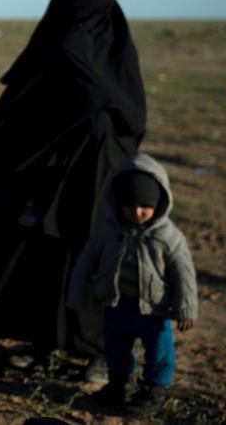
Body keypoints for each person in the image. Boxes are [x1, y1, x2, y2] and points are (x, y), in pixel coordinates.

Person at [0, 0, 146, 380]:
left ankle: (101, 353)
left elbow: (130, 121)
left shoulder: (110, 59)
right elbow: (17, 112)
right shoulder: (57, 46)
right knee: (35, 254)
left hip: (96, 181)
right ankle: (43, 343)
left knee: (93, 257)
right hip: (41, 181)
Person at [67, 153, 197, 417]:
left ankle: (154, 392)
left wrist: (186, 308)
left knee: (160, 352)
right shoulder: (108, 231)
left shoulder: (169, 238)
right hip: (117, 305)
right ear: (118, 202)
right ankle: (118, 386)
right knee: (115, 348)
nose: (137, 213)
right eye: (129, 206)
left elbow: (184, 274)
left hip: (154, 311)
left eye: (145, 207)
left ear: (159, 203)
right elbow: (85, 263)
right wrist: (77, 295)